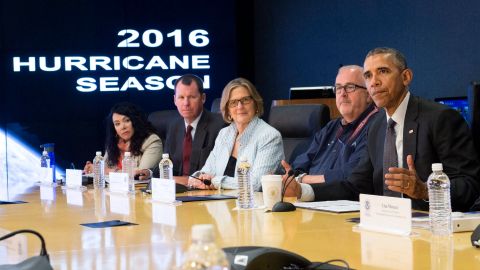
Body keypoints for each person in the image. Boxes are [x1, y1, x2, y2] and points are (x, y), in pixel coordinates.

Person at [286, 47, 480, 211]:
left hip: (429, 227)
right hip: (384, 226)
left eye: (383, 71)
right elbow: (355, 185)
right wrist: (302, 191)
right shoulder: (377, 125)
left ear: (406, 77)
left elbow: (470, 185)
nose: (374, 82)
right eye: (368, 75)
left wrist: (425, 190)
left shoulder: (440, 118)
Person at [281, 65, 378, 184]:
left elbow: (352, 174)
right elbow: (302, 162)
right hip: (308, 196)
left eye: (350, 87)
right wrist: (294, 176)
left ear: (368, 95)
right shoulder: (331, 127)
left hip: (341, 199)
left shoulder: (376, 126)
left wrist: (302, 180)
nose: (342, 93)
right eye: (338, 88)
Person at [189, 77, 284, 191]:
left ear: (255, 103)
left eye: (245, 100)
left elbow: (256, 184)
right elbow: (208, 170)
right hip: (220, 204)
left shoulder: (270, 136)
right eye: (233, 102)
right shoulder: (224, 134)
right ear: (228, 110)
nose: (240, 106)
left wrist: (215, 181)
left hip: (254, 206)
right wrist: (198, 178)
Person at [140, 74, 225, 179]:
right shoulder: (174, 125)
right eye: (181, 97)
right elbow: (168, 163)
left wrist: (186, 181)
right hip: (177, 190)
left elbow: (219, 171)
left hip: (205, 190)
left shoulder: (220, 126)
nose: (186, 103)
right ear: (175, 100)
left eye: (192, 97)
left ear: (203, 98)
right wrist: (149, 172)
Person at [84, 102, 163, 178]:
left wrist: (104, 171)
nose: (122, 127)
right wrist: (92, 168)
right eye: (117, 124)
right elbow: (103, 167)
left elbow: (140, 174)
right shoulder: (114, 142)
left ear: (136, 121)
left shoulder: (152, 141)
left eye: (127, 120)